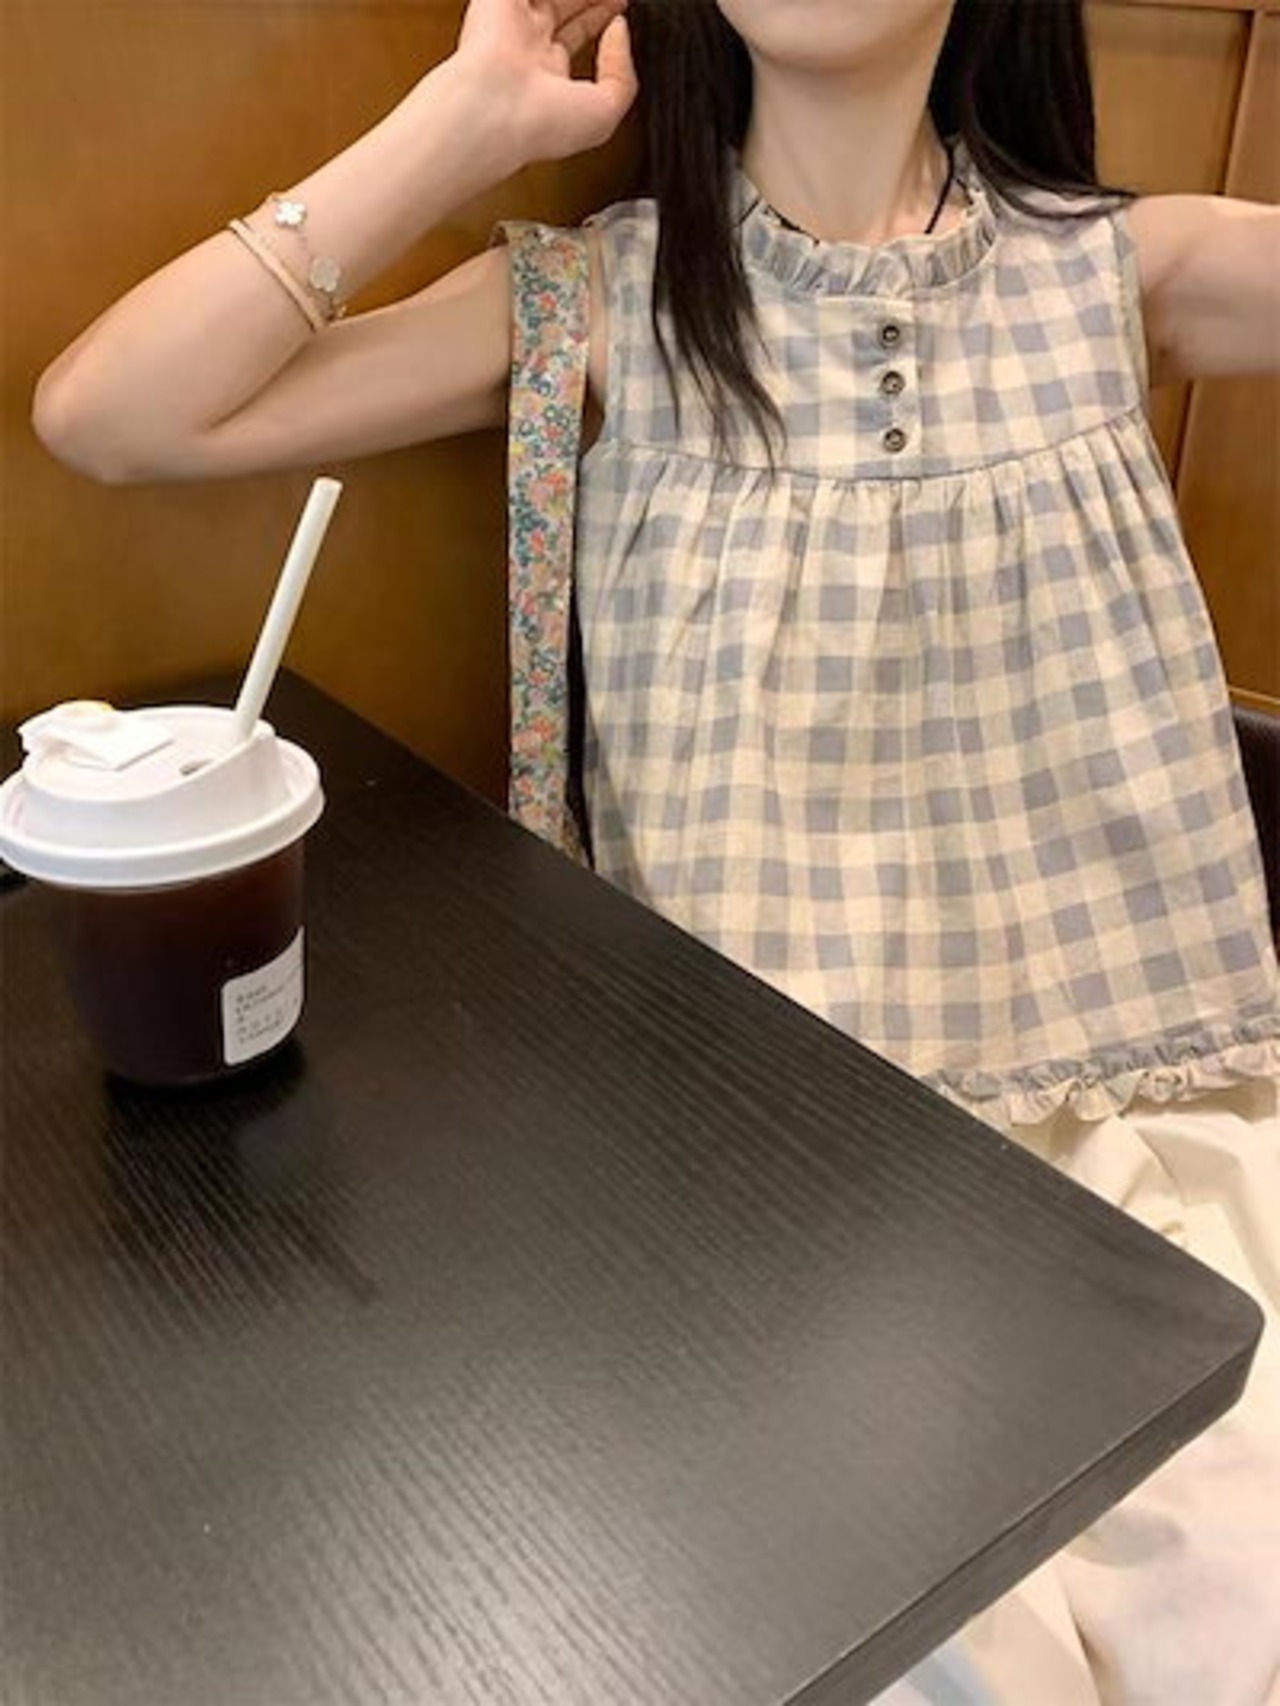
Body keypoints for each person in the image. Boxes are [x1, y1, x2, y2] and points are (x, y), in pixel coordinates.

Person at [32, 1, 1280, 1699]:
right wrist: (464, 122)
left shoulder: (1125, 273)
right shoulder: (600, 305)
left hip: (1145, 1157)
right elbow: (110, 415)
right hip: (765, 1204)